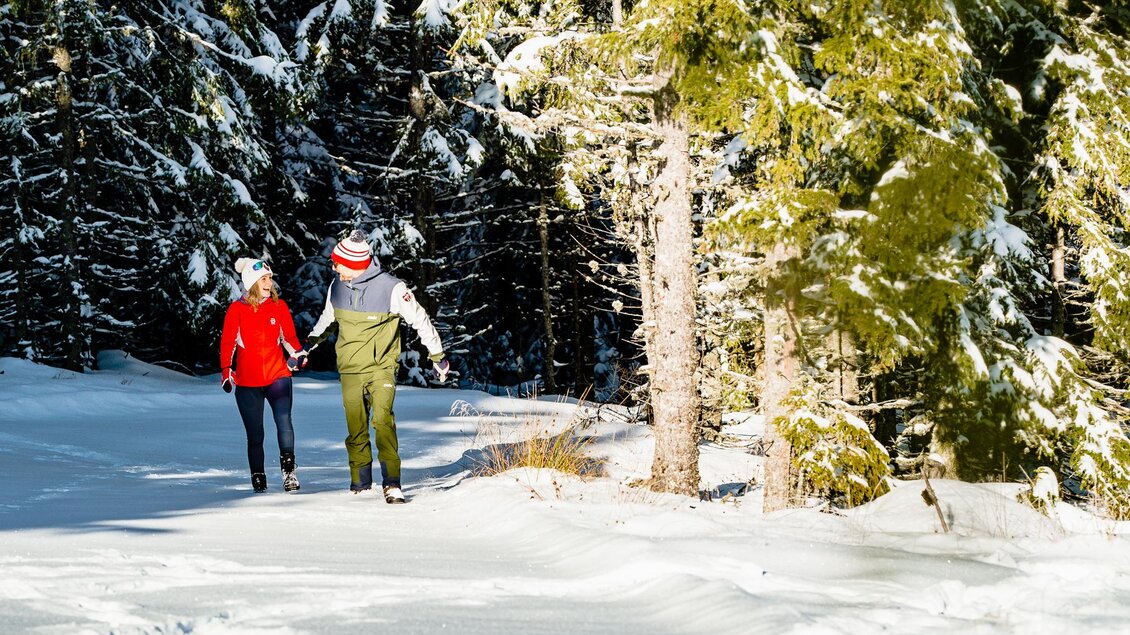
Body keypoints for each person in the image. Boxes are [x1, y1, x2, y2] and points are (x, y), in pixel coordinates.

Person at [306, 230, 450, 504]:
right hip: (349, 368)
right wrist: (306, 347)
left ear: (355, 265)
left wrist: (437, 356)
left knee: (382, 421)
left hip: (380, 367)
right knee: (356, 427)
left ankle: (392, 482)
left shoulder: (393, 289)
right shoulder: (336, 286)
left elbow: (420, 320)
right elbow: (327, 320)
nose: (333, 267)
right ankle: (360, 482)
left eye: (338, 263)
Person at [219, 257, 308, 494]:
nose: (269, 283)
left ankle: (289, 473)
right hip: (248, 382)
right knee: (255, 433)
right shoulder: (237, 309)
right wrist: (226, 372)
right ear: (252, 282)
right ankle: (258, 475)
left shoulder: (279, 307)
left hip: (277, 375)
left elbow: (289, 338)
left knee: (284, 422)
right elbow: (228, 343)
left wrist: (298, 354)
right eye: (264, 279)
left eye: (270, 279)